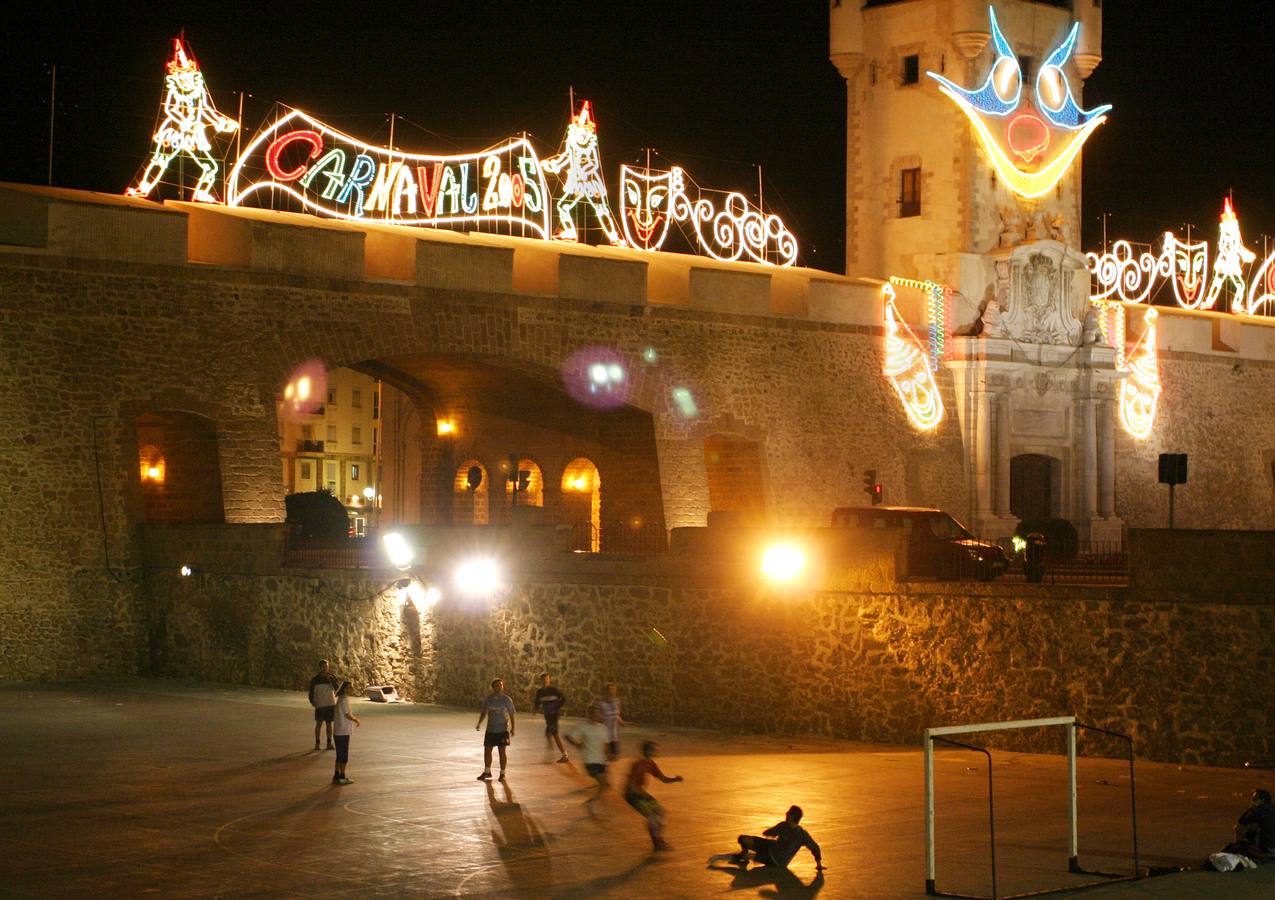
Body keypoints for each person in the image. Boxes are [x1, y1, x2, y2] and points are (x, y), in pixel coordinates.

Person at [711, 805, 824, 871]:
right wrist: (770, 832)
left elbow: (815, 847)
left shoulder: (802, 834)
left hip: (777, 860)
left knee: (748, 856)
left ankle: (727, 859)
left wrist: (818, 865)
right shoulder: (783, 825)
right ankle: (743, 857)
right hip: (771, 846)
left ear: (792, 816)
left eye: (788, 812)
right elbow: (767, 833)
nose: (786, 813)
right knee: (743, 839)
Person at [624, 740, 683, 850]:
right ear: (649, 751)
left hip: (640, 793)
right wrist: (642, 795)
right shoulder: (639, 765)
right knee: (651, 817)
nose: (657, 751)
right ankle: (658, 843)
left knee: (660, 812)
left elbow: (663, 779)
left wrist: (675, 779)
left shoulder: (650, 764)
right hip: (632, 795)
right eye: (654, 749)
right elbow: (631, 787)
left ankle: (658, 840)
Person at [565, 706, 610, 812]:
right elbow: (568, 736)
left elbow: (606, 744)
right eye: (594, 713)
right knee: (604, 784)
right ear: (589, 714)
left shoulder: (603, 728)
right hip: (590, 761)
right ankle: (592, 803)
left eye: (598, 713)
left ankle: (593, 802)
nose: (597, 715)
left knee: (605, 785)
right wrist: (577, 744)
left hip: (601, 761)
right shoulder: (583, 727)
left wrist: (607, 755)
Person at [475, 677, 516, 781]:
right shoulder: (488, 699)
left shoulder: (506, 699)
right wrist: (479, 723)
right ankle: (487, 772)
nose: (499, 687)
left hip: (502, 730)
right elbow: (484, 712)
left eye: (501, 685)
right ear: (493, 687)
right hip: (491, 730)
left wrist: (513, 728)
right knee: (487, 750)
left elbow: (511, 714)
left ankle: (502, 773)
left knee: (502, 751)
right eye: (497, 685)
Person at [533, 673, 569, 763]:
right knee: (548, 733)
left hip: (554, 715)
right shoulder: (540, 692)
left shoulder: (554, 690)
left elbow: (563, 698)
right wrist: (535, 709)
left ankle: (564, 755)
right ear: (541, 681)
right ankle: (552, 748)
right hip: (547, 716)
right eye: (543, 679)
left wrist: (556, 707)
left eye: (546, 679)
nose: (545, 681)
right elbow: (537, 701)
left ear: (549, 680)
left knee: (554, 734)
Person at [1234, 789, 1275, 860]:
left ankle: (1239, 845)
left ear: (1262, 800)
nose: (1253, 800)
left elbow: (1241, 823)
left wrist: (1251, 808)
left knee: (1244, 828)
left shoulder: (1257, 811)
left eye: (1255, 798)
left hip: (1271, 848)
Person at [331, 681, 359, 785]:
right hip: (343, 731)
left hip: (338, 730)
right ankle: (342, 776)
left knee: (339, 754)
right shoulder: (344, 700)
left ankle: (336, 775)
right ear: (345, 689)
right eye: (350, 687)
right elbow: (347, 714)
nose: (352, 689)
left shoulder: (340, 699)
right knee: (343, 755)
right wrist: (356, 720)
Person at [308, 659, 339, 751]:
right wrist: (312, 701)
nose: (326, 669)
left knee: (329, 724)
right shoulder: (315, 680)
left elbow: (337, 688)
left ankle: (329, 743)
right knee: (319, 724)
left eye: (327, 667)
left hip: (330, 704)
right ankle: (317, 743)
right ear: (320, 667)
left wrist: (332, 680)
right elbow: (311, 692)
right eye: (324, 667)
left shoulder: (332, 677)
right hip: (320, 705)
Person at [597, 682, 625, 760]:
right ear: (606, 691)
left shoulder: (617, 701)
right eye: (610, 690)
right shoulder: (601, 703)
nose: (612, 692)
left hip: (614, 731)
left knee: (615, 756)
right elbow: (598, 715)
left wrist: (621, 721)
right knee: (607, 756)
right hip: (605, 730)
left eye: (614, 690)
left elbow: (617, 714)